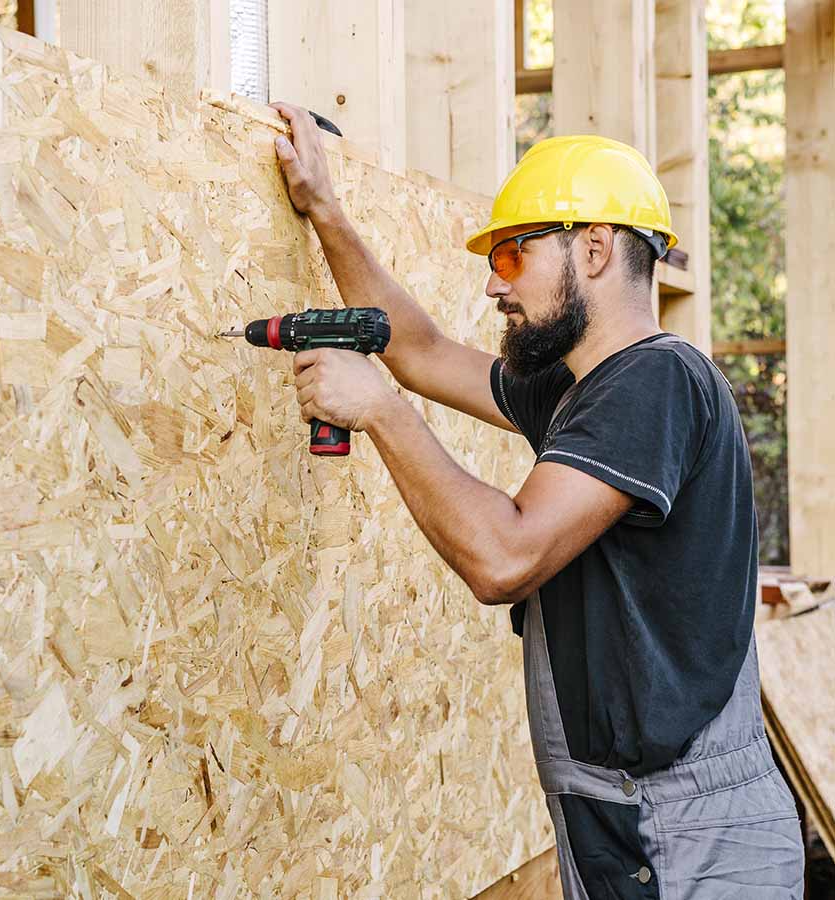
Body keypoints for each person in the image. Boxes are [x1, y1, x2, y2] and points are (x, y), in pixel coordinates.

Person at [269, 101, 805, 898]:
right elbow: (418, 351)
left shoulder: (654, 381)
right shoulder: (582, 390)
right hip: (613, 816)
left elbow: (504, 557)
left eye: (514, 256)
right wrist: (325, 210)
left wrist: (377, 408)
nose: (493, 283)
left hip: (684, 830)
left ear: (593, 247)